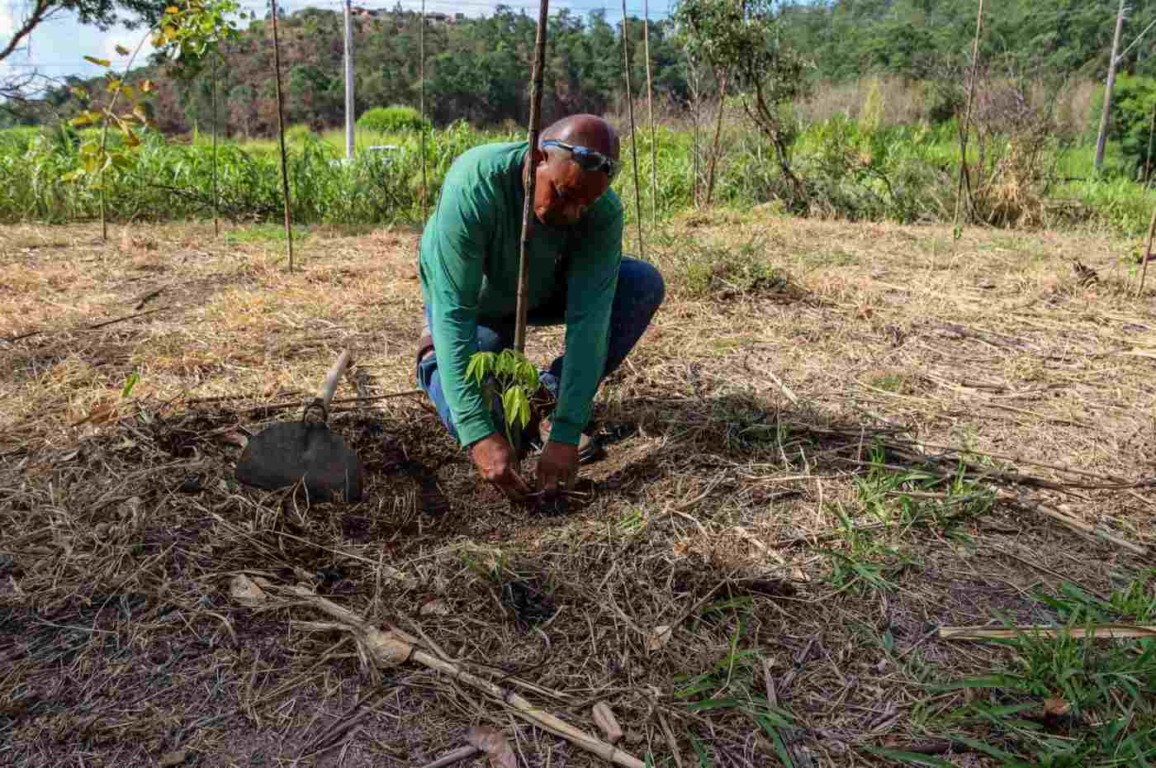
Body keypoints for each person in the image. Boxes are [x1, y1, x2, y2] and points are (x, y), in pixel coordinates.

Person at [416, 114, 664, 501]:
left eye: (587, 203)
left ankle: (543, 398)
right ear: (537, 159)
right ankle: (432, 360)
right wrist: (478, 433)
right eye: (563, 196)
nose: (572, 214)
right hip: (476, 302)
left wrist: (566, 431)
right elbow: (455, 313)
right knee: (488, 420)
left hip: (543, 288)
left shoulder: (601, 212)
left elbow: (589, 324)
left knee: (640, 284)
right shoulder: (476, 183)